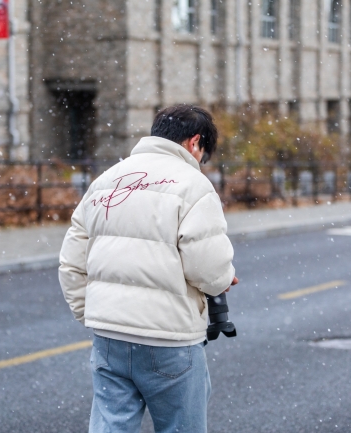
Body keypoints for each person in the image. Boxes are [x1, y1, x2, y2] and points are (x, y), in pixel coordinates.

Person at [58, 104, 238, 433]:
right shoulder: (193, 186)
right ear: (194, 142)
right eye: (203, 153)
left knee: (110, 426)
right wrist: (222, 281)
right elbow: (208, 270)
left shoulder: (105, 181)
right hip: (168, 337)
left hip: (109, 334)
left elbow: (71, 262)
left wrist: (92, 314)